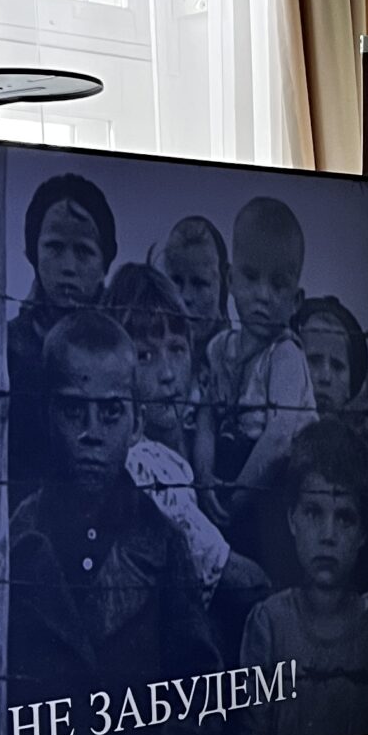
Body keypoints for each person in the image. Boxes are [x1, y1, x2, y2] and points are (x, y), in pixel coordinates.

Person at [6, 311, 219, 735]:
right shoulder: (17, 537)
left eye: (110, 413)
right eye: (73, 412)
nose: (92, 433)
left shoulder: (163, 541)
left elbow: (199, 675)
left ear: (137, 422)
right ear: (48, 415)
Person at [104, 262, 268, 653]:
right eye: (145, 356)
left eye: (177, 349)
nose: (167, 374)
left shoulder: (199, 438)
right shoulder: (140, 463)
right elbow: (240, 580)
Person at [239, 419, 368, 735]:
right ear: (292, 519)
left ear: (363, 532)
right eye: (313, 512)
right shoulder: (268, 624)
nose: (328, 535)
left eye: (345, 518)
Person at [196, 196, 316, 568]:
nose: (263, 295)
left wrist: (233, 500)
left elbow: (278, 440)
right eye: (251, 277)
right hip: (229, 475)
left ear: (296, 300)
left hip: (274, 490)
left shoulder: (285, 356)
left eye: (278, 284)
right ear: (230, 279)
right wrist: (204, 477)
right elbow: (206, 416)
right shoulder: (220, 348)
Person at [7, 171, 117, 504]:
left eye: (84, 251)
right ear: (33, 253)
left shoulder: (125, 351)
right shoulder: (7, 348)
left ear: (105, 263)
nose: (68, 266)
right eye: (54, 247)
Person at [154, 214, 230, 370]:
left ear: (225, 283)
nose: (185, 297)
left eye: (199, 283)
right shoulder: (151, 359)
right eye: (176, 281)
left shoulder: (236, 364)